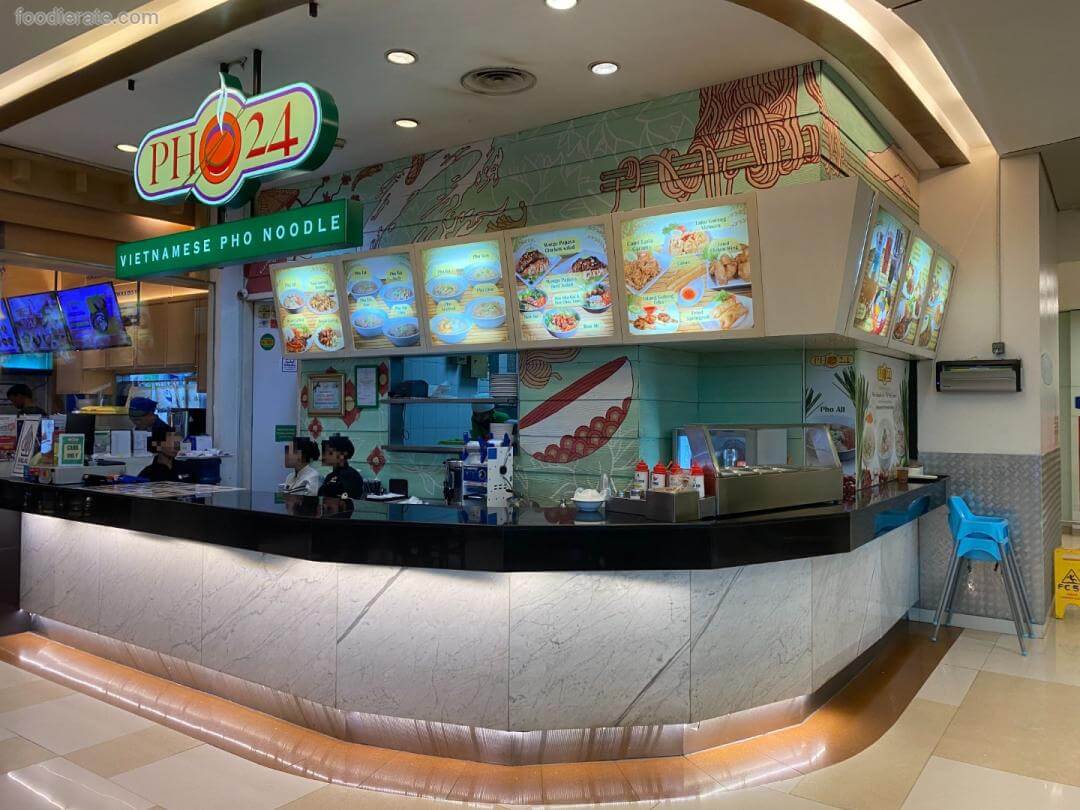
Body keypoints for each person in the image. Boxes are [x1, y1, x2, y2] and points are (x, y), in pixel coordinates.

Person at [317, 435, 365, 499]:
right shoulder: (331, 476)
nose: (325, 456)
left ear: (342, 455)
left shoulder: (350, 476)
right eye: (324, 452)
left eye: (330, 453)